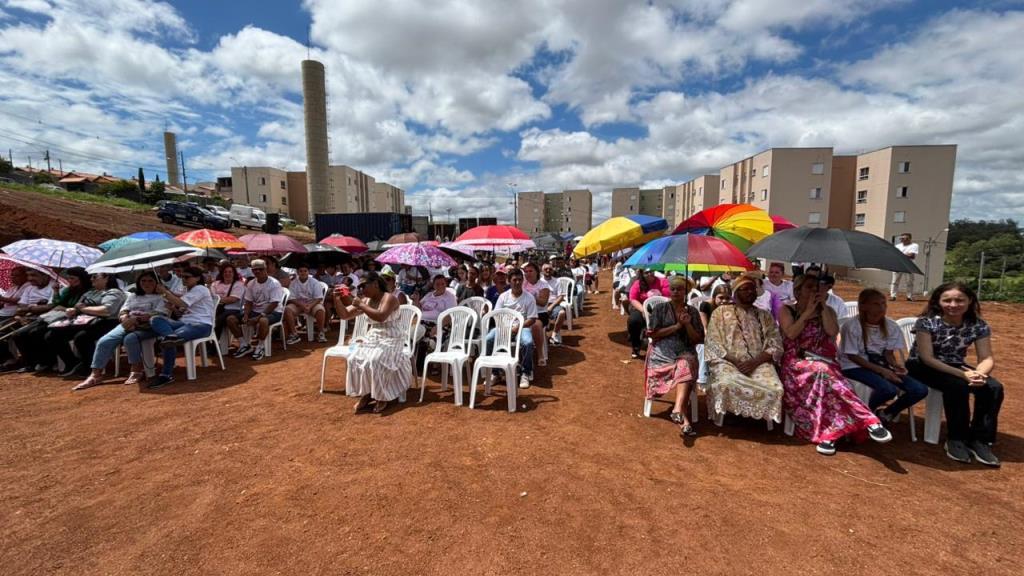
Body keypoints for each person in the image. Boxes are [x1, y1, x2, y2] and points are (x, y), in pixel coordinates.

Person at [779, 275, 892, 455]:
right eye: (809, 287)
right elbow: (791, 334)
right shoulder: (787, 310)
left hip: (825, 362)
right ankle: (870, 420)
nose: (814, 291)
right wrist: (807, 313)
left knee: (830, 382)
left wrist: (822, 308)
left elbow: (832, 331)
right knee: (827, 375)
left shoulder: (828, 310)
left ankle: (829, 437)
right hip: (797, 363)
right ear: (797, 291)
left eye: (817, 288)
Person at [906, 282, 1002, 467]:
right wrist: (963, 375)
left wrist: (978, 374)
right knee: (956, 386)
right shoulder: (926, 322)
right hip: (921, 366)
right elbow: (927, 358)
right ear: (938, 302)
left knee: (993, 387)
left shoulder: (978, 325)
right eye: (947, 300)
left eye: (959, 300)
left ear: (970, 301)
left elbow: (987, 357)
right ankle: (956, 439)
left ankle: (979, 440)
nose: (953, 305)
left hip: (955, 365)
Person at [704, 274, 784, 424]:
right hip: (727, 362)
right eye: (744, 289)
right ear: (735, 293)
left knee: (776, 388)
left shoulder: (765, 315)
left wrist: (754, 362)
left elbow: (776, 344)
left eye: (752, 289)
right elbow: (712, 342)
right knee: (726, 383)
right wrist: (736, 361)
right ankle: (723, 415)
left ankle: (765, 419)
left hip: (759, 363)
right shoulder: (720, 313)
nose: (750, 292)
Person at [840, 288, 928, 423]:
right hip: (854, 366)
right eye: (876, 304)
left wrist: (895, 365)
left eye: (883, 304)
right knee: (888, 389)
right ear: (863, 306)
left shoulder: (891, 326)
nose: (881, 308)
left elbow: (888, 354)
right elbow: (852, 356)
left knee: (919, 389)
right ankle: (861, 416)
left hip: (880, 364)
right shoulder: (852, 326)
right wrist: (883, 371)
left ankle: (886, 413)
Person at [75, 271, 169, 390]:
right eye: (143, 281)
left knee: (130, 339)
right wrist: (124, 318)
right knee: (105, 341)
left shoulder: (162, 297)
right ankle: (95, 374)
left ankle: (136, 369)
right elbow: (124, 310)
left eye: (150, 281)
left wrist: (136, 319)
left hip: (150, 326)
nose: (146, 283)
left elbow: (161, 313)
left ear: (157, 282)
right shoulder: (134, 296)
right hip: (128, 323)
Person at [333, 271, 410, 414]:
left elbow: (381, 316)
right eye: (360, 287)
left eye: (364, 286)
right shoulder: (366, 301)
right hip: (374, 335)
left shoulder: (389, 298)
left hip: (392, 337)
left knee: (376, 359)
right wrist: (337, 299)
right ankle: (367, 393)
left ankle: (382, 397)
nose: (361, 290)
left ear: (375, 284)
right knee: (354, 358)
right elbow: (344, 315)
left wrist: (361, 305)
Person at [645, 276, 705, 437]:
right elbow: (653, 334)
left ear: (686, 292)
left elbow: (698, 339)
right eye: (673, 289)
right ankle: (683, 418)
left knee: (686, 363)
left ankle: (678, 410)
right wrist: (677, 326)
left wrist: (687, 325)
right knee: (684, 365)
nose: (676, 291)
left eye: (680, 289)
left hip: (685, 351)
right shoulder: (660, 309)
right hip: (662, 353)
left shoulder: (692, 312)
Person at [6, 267, 90, 373]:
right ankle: (33, 363)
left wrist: (62, 307)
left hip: (71, 318)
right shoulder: (68, 289)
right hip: (52, 317)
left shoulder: (87, 291)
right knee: (18, 334)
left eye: (73, 278)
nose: (70, 281)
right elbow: (56, 303)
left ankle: (55, 362)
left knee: (38, 333)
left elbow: (69, 307)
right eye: (69, 278)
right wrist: (56, 292)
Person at [44, 272, 126, 377]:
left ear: (107, 278)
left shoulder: (113, 292)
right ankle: (73, 363)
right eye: (91, 277)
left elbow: (106, 310)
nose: (91, 279)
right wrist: (73, 310)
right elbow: (77, 307)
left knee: (82, 337)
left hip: (107, 322)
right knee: (52, 335)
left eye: (95, 277)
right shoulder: (90, 293)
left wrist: (83, 309)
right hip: (85, 321)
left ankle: (91, 368)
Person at [145, 266, 216, 388]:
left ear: (198, 278)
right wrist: (170, 300)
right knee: (155, 319)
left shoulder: (200, 289)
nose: (183, 279)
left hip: (201, 325)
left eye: (187, 277)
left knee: (167, 340)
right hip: (185, 322)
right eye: (182, 276)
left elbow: (182, 303)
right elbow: (180, 309)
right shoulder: (188, 290)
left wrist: (164, 292)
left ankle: (166, 375)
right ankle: (171, 337)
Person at [487, 267, 538, 389]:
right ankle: (496, 372)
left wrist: (517, 328)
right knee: (488, 339)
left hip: (522, 327)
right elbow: (496, 315)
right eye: (514, 280)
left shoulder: (529, 297)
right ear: (509, 281)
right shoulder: (503, 297)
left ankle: (525, 372)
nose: (517, 282)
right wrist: (505, 328)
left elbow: (532, 319)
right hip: (503, 327)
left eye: (520, 280)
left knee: (528, 343)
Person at [234, 259, 284, 361]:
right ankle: (244, 344)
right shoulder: (251, 283)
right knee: (231, 319)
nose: (257, 272)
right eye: (255, 270)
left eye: (260, 269)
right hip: (255, 310)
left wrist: (258, 317)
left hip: (274, 311)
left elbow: (274, 304)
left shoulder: (274, 283)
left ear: (265, 269)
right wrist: (246, 314)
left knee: (263, 321)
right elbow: (248, 302)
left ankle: (260, 346)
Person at [627, 269, 669, 359]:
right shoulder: (637, 283)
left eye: (652, 271)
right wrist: (643, 310)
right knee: (633, 321)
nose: (650, 274)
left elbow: (668, 297)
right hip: (641, 308)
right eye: (646, 272)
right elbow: (633, 299)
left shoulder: (663, 282)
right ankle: (636, 346)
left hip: (661, 309)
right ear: (642, 274)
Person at [284, 264, 328, 344]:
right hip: (298, 304)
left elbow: (319, 298)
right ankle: (294, 334)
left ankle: (321, 333)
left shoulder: (314, 282)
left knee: (321, 310)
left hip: (313, 303)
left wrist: (310, 306)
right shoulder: (293, 283)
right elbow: (291, 298)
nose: (303, 273)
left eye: (305, 271)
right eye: (301, 271)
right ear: (297, 272)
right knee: (287, 309)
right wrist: (302, 305)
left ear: (308, 272)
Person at [523, 261, 551, 366]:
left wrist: (532, 297)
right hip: (525, 313)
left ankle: (540, 354)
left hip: (540, 313)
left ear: (537, 272)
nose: (528, 273)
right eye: (526, 271)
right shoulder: (522, 284)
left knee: (535, 325)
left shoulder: (543, 285)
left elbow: (543, 303)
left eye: (531, 271)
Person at [211, 263, 246, 343]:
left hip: (234, 310)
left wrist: (218, 299)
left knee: (217, 320)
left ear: (234, 273)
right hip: (216, 309)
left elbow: (233, 299)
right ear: (222, 273)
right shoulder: (215, 284)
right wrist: (221, 299)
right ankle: (212, 342)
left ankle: (214, 342)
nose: (227, 274)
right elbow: (211, 298)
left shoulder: (239, 284)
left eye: (230, 272)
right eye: (225, 272)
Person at [541, 263, 568, 346]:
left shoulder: (557, 281)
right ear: (542, 271)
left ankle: (554, 334)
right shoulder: (539, 282)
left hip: (554, 304)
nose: (548, 270)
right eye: (546, 269)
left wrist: (551, 307)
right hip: (541, 305)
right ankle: (542, 336)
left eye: (550, 269)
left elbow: (561, 297)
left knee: (562, 313)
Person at [891, 233, 919, 301]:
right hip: (898, 264)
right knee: (895, 281)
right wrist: (905, 254)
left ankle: (909, 296)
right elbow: (895, 255)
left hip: (909, 264)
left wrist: (900, 255)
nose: (902, 240)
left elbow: (912, 256)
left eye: (904, 238)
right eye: (901, 238)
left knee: (909, 281)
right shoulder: (897, 246)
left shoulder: (914, 245)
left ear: (909, 239)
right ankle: (893, 296)